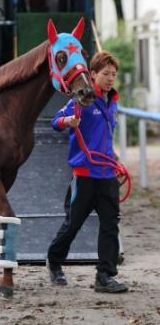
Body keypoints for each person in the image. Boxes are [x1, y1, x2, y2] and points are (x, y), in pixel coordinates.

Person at [47, 50, 128, 294]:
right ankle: (55, 261)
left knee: (110, 225)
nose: (110, 78)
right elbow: (55, 121)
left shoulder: (112, 102)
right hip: (84, 176)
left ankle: (104, 276)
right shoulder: (79, 101)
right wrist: (68, 121)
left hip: (107, 175)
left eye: (113, 74)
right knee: (73, 224)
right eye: (105, 73)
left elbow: (104, 137)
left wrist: (116, 162)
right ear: (92, 75)